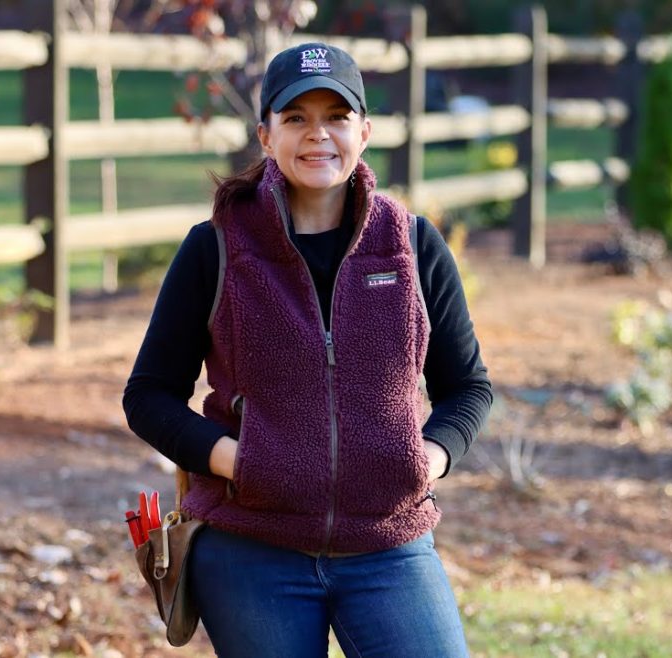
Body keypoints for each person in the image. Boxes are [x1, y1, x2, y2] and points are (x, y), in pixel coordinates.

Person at [123, 41, 492, 658]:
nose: (317, 135)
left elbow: (468, 387)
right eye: (296, 118)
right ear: (265, 135)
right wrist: (239, 463)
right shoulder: (215, 248)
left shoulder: (413, 247)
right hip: (252, 547)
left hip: (388, 544)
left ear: (365, 131)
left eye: (336, 117)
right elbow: (148, 395)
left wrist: (424, 460)